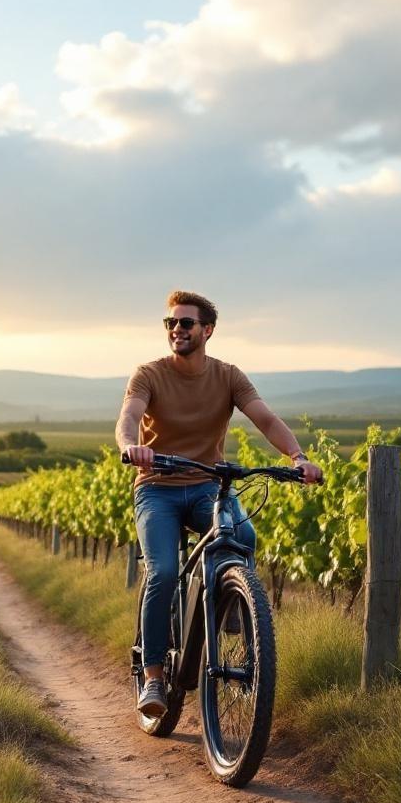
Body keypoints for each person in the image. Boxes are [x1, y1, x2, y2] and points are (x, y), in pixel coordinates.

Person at [116, 290, 323, 718]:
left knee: (242, 535)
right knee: (164, 571)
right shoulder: (149, 375)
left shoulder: (228, 376)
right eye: (170, 323)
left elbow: (265, 418)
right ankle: (154, 675)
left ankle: (230, 602)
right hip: (157, 487)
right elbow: (129, 417)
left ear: (207, 330)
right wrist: (131, 447)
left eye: (186, 323)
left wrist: (298, 458)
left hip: (207, 485)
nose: (177, 330)